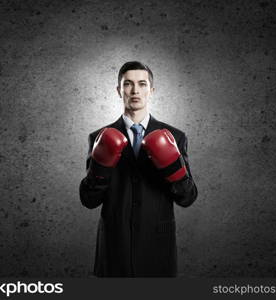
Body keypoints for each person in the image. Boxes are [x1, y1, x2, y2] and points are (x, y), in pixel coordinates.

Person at [79, 61, 198, 277]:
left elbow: (187, 198)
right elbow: (89, 200)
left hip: (158, 247)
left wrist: (173, 169)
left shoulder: (175, 136)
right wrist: (100, 169)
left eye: (142, 84)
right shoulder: (99, 137)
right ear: (118, 90)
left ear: (151, 91)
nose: (135, 90)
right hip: (115, 247)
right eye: (128, 84)